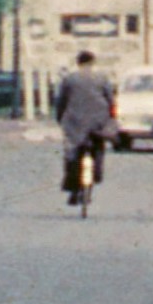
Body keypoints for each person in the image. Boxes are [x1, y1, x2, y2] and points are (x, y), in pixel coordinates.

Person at [52, 51, 118, 205]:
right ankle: (95, 176)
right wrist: (111, 118)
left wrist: (60, 118)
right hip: (98, 122)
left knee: (72, 153)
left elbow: (61, 101)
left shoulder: (69, 79)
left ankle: (73, 188)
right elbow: (111, 100)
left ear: (78, 62)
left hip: (75, 122)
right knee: (97, 148)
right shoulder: (102, 78)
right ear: (93, 62)